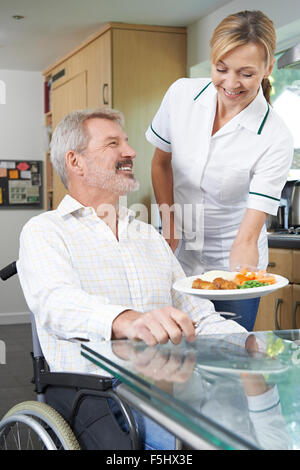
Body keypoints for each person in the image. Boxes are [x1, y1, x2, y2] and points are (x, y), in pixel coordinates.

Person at [17, 108, 246, 450]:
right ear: (75, 162)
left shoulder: (148, 236)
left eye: (126, 140)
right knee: (184, 443)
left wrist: (252, 345)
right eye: (113, 143)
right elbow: (55, 303)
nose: (131, 151)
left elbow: (197, 313)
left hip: (172, 385)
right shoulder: (45, 231)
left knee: (250, 421)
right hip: (98, 393)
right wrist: (127, 321)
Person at [146, 10, 294, 332]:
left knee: (229, 364)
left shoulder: (274, 137)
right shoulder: (182, 95)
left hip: (231, 264)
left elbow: (247, 236)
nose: (230, 84)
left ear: (268, 68)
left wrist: (237, 282)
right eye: (221, 69)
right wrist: (169, 226)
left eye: (246, 73)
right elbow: (160, 163)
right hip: (178, 260)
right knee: (177, 362)